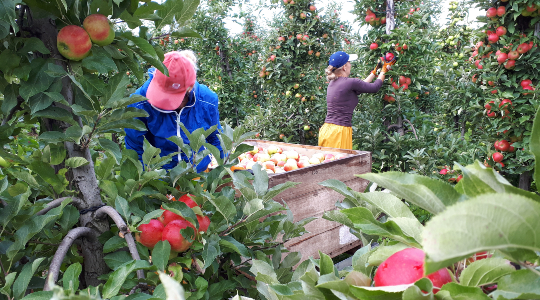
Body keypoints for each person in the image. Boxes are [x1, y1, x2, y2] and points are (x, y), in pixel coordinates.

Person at [124, 50, 223, 173]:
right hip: (158, 176)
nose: (168, 104)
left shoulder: (207, 100)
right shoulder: (140, 102)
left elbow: (216, 138)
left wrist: (224, 169)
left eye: (173, 99)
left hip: (197, 174)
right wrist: (146, 180)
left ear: (189, 88)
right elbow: (135, 148)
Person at [318, 51, 394, 150]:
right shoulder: (350, 83)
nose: (351, 65)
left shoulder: (333, 83)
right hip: (339, 132)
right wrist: (384, 70)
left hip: (327, 131)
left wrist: (374, 72)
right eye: (349, 62)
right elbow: (375, 87)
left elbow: (362, 86)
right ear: (344, 67)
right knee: (340, 164)